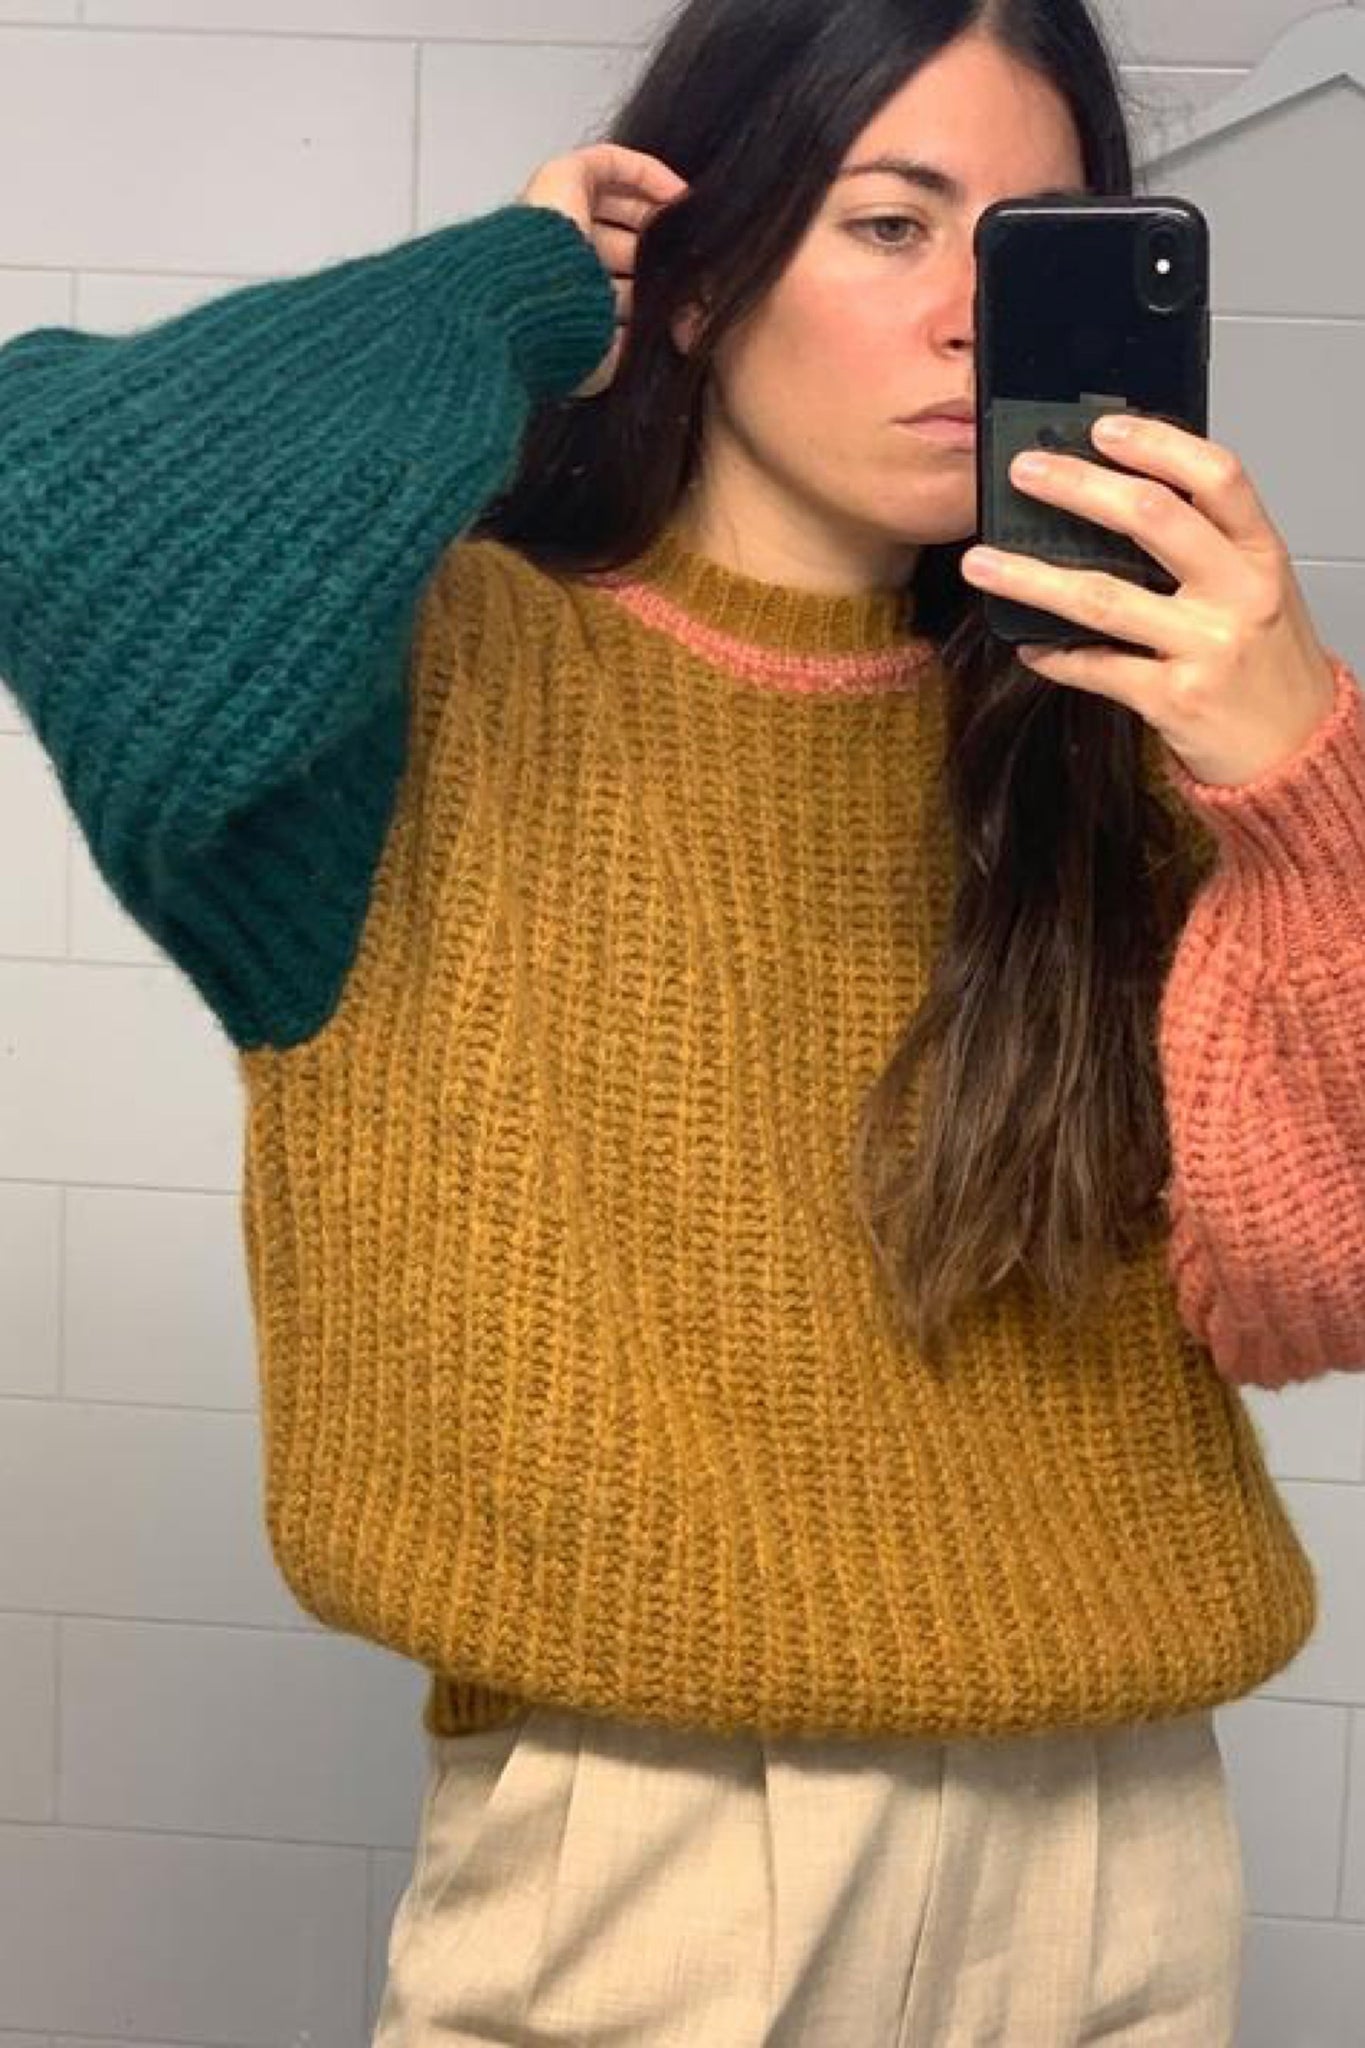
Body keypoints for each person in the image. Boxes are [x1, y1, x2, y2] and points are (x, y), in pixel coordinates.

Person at [2, 0, 1362, 2040]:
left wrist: (1300, 791)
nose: (967, 319)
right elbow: (57, 493)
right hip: (657, 1859)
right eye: (888, 224)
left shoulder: (1131, 749)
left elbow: (1312, 1292)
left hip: (1112, 1843)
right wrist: (509, 291)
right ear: (702, 276)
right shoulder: (421, 691)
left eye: (1028, 244)